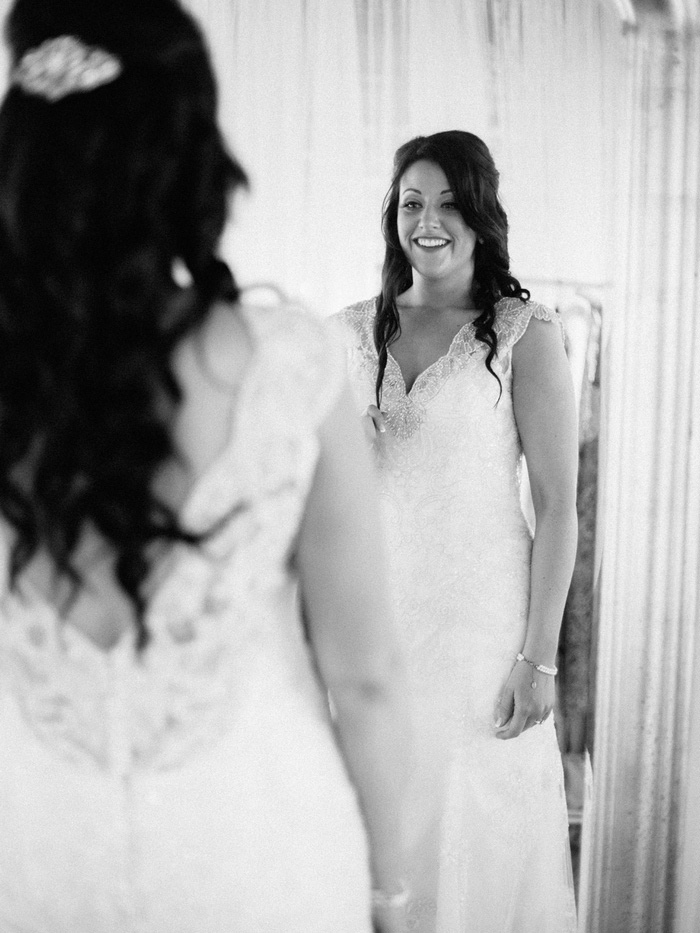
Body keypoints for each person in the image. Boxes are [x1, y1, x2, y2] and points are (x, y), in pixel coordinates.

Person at [0, 2, 410, 931]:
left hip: (31, 863)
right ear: (190, 154)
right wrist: (391, 895)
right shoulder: (289, 364)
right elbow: (370, 676)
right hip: (258, 864)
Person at [337, 130, 579, 933]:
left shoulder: (523, 334)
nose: (427, 220)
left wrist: (538, 656)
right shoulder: (351, 335)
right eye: (412, 202)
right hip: (379, 636)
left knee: (473, 833)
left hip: (480, 639)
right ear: (392, 216)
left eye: (447, 202)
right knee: (377, 839)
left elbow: (557, 506)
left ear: (480, 213)